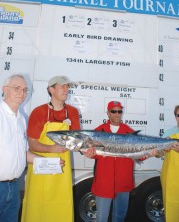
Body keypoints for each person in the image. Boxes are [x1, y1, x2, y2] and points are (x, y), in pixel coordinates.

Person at [21, 75, 81, 222]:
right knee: (37, 204)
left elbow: (77, 141)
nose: (66, 89)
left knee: (61, 204)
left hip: (63, 169)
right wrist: (52, 149)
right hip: (40, 167)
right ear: (51, 89)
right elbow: (32, 143)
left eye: (68, 86)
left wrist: (86, 148)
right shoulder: (39, 112)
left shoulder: (72, 112)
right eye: (62, 86)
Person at [90, 101, 135, 222]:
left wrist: (152, 153)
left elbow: (139, 155)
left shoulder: (128, 131)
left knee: (119, 217)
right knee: (101, 218)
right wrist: (90, 154)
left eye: (119, 111)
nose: (117, 114)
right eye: (113, 111)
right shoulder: (98, 131)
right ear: (108, 113)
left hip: (123, 182)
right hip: (104, 183)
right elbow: (93, 154)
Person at [0, 74, 36, 222]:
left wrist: (50, 162)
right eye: (17, 88)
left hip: (13, 188)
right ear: (4, 90)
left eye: (25, 89)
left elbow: (24, 153)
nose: (22, 93)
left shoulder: (22, 119)